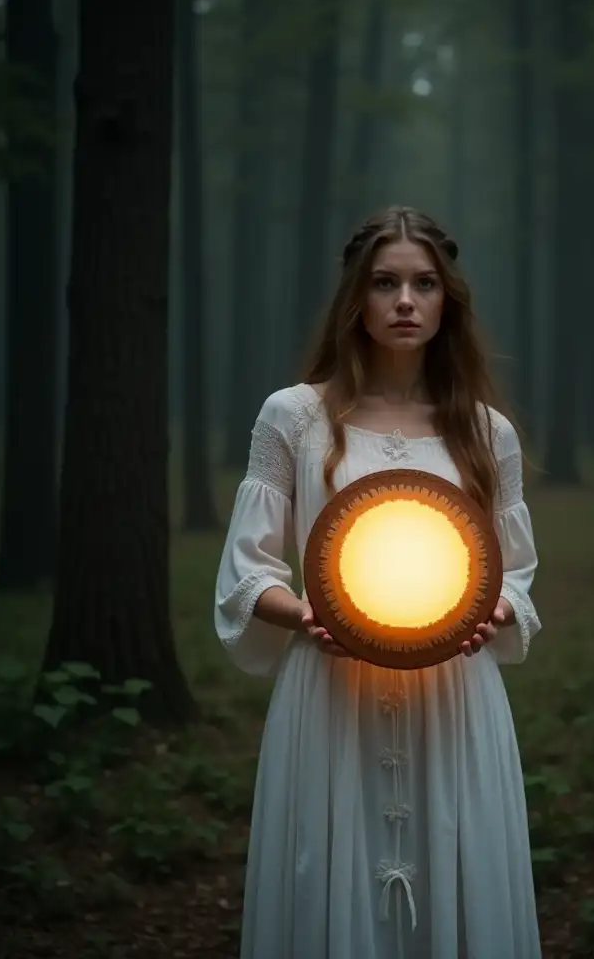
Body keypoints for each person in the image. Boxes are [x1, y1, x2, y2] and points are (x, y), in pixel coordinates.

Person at [214, 205, 542, 958]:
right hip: (330, 699)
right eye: (384, 282)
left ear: (446, 299)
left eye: (424, 284)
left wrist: (493, 612)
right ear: (354, 298)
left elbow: (516, 574)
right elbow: (246, 571)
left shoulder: (487, 431)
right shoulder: (294, 419)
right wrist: (303, 616)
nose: (404, 301)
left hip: (454, 702)